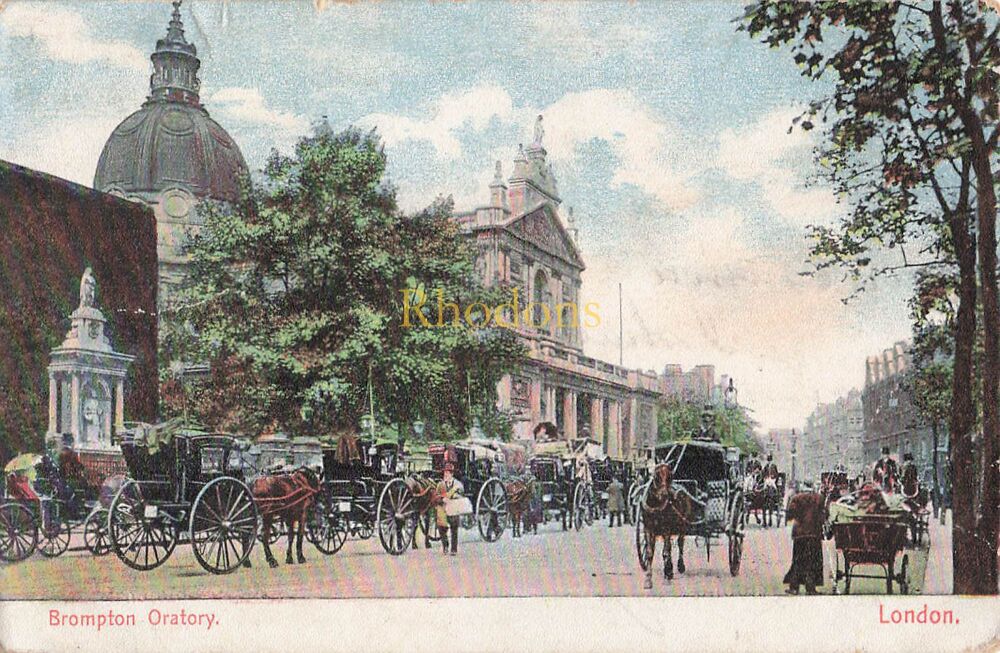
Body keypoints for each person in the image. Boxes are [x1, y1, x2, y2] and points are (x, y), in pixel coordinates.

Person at [783, 481, 828, 595]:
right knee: (813, 561)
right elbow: (824, 515)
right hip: (814, 533)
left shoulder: (796, 498)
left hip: (799, 534)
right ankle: (810, 587)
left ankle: (794, 587)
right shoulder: (819, 498)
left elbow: (790, 515)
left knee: (798, 560)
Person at [435, 462, 465, 556]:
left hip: (453, 508)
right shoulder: (440, 484)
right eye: (445, 473)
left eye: (447, 473)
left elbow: (460, 495)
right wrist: (442, 499)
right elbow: (436, 495)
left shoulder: (458, 485)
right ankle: (445, 545)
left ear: (452, 474)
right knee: (441, 528)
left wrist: (452, 498)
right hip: (443, 508)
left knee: (454, 528)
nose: (445, 475)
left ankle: (453, 549)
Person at [762, 454, 780, 528]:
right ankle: (764, 495)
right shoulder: (766, 466)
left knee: (774, 486)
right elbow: (763, 473)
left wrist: (773, 477)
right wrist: (765, 477)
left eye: (769, 460)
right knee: (765, 486)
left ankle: (776, 496)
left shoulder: (774, 466)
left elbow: (776, 473)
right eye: (768, 460)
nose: (769, 461)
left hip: (772, 479)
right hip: (767, 479)